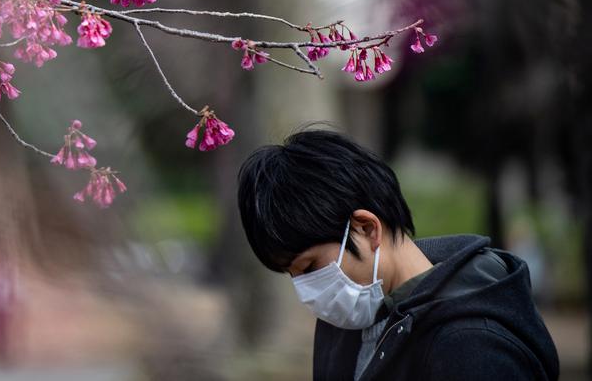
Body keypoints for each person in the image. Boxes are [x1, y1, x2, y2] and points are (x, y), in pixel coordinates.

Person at [236, 129, 559, 380]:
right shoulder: (346, 324)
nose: (307, 292)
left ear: (366, 228)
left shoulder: (473, 345)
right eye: (293, 276)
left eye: (310, 267)